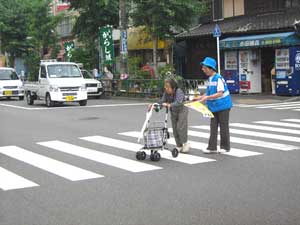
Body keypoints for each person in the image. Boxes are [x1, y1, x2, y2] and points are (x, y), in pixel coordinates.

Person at [195, 57, 233, 154]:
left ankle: (225, 147)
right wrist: (199, 98)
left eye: (204, 67)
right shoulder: (210, 79)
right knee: (213, 126)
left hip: (223, 106)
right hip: (214, 106)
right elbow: (208, 93)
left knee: (223, 127)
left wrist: (206, 98)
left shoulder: (218, 78)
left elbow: (220, 93)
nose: (202, 69)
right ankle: (212, 147)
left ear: (210, 68)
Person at [150, 78, 190, 153]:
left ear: (173, 87)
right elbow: (162, 101)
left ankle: (186, 143)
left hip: (182, 109)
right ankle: (179, 145)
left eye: (168, 87)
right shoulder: (166, 93)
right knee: (175, 129)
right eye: (165, 86)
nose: (166, 88)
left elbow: (178, 102)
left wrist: (169, 104)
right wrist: (154, 106)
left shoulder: (179, 91)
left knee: (180, 127)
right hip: (173, 110)